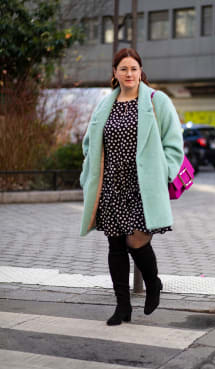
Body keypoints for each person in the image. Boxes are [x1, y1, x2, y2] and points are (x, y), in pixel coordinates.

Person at [79, 48, 184, 326]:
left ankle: (153, 282)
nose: (129, 74)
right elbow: (90, 143)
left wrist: (167, 172)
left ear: (140, 71)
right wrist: (87, 173)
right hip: (111, 184)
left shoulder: (155, 100)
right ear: (114, 73)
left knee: (136, 240)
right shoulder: (105, 104)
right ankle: (122, 307)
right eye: (123, 69)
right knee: (115, 245)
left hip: (143, 185)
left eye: (133, 69)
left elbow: (174, 142)